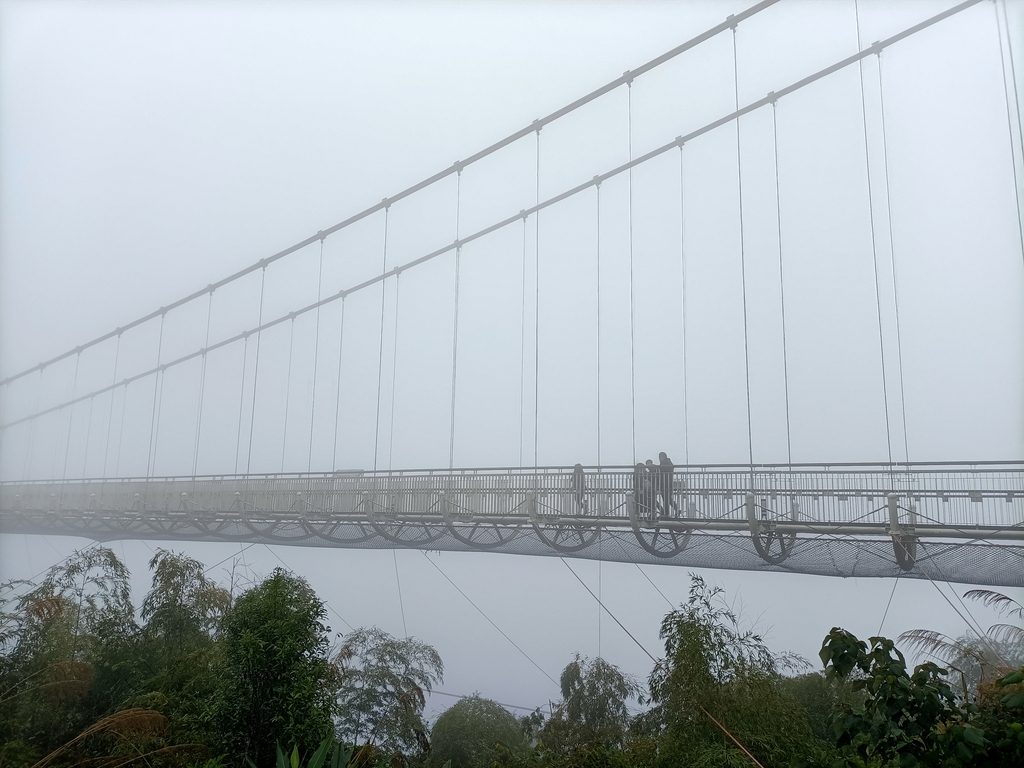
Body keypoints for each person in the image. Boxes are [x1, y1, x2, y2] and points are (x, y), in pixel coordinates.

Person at [658, 451, 677, 516]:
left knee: (666, 499)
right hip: (669, 483)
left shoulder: (664, 463)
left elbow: (661, 472)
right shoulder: (669, 463)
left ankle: (666, 513)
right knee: (668, 498)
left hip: (665, 483)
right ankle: (675, 509)